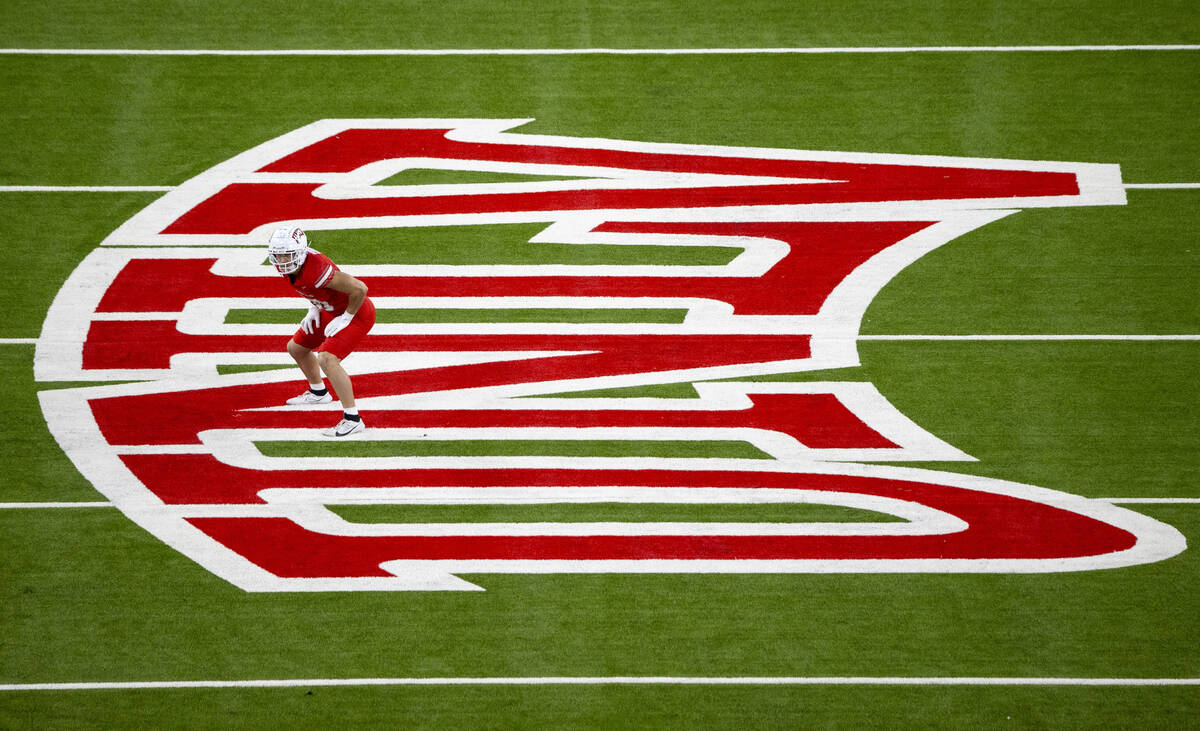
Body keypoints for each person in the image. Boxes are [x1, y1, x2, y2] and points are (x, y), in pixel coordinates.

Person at [267, 227, 375, 437]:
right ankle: (318, 392)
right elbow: (312, 288)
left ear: (299, 252)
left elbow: (360, 289)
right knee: (296, 348)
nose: (282, 260)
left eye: (287, 255)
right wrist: (314, 306)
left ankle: (353, 419)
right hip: (330, 309)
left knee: (326, 359)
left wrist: (346, 317)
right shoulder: (295, 268)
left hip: (356, 313)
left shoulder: (315, 269)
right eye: (278, 255)